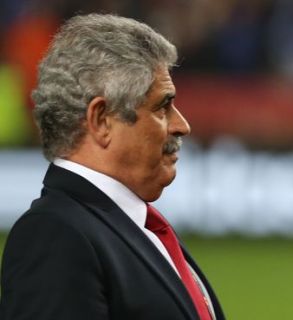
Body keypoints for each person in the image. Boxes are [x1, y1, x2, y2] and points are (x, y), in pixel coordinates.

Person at [0, 14, 225, 320]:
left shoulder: (136, 227)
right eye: (162, 106)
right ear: (101, 120)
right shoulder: (56, 235)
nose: (181, 125)